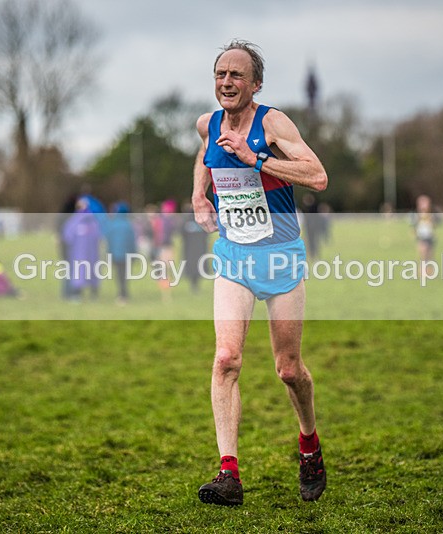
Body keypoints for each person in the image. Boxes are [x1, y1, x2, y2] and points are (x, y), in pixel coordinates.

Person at [192, 39, 328, 506]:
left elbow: (317, 175)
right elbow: (204, 152)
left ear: (256, 84)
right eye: (220, 74)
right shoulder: (207, 123)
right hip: (233, 256)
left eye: (237, 75)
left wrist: (257, 160)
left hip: (282, 255)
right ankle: (228, 473)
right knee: (226, 358)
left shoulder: (272, 122)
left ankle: (309, 443)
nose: (227, 82)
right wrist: (198, 194)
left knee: (288, 370)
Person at [62, 197, 102, 301]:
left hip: (82, 254)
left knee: (83, 273)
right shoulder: (89, 221)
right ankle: (82, 294)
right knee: (84, 273)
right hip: (83, 254)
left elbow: (67, 237)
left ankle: (86, 295)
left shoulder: (84, 221)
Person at [103, 202, 137, 304]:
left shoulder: (111, 224)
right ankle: (124, 293)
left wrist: (109, 253)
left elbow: (108, 241)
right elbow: (132, 242)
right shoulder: (129, 225)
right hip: (127, 255)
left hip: (116, 255)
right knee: (125, 275)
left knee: (119, 275)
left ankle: (121, 294)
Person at [411, 194, 441, 276]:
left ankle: (429, 271)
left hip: (430, 237)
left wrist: (432, 221)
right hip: (421, 237)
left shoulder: (432, 215)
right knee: (423, 253)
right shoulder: (417, 215)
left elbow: (436, 224)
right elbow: (413, 226)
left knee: (429, 255)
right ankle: (421, 271)